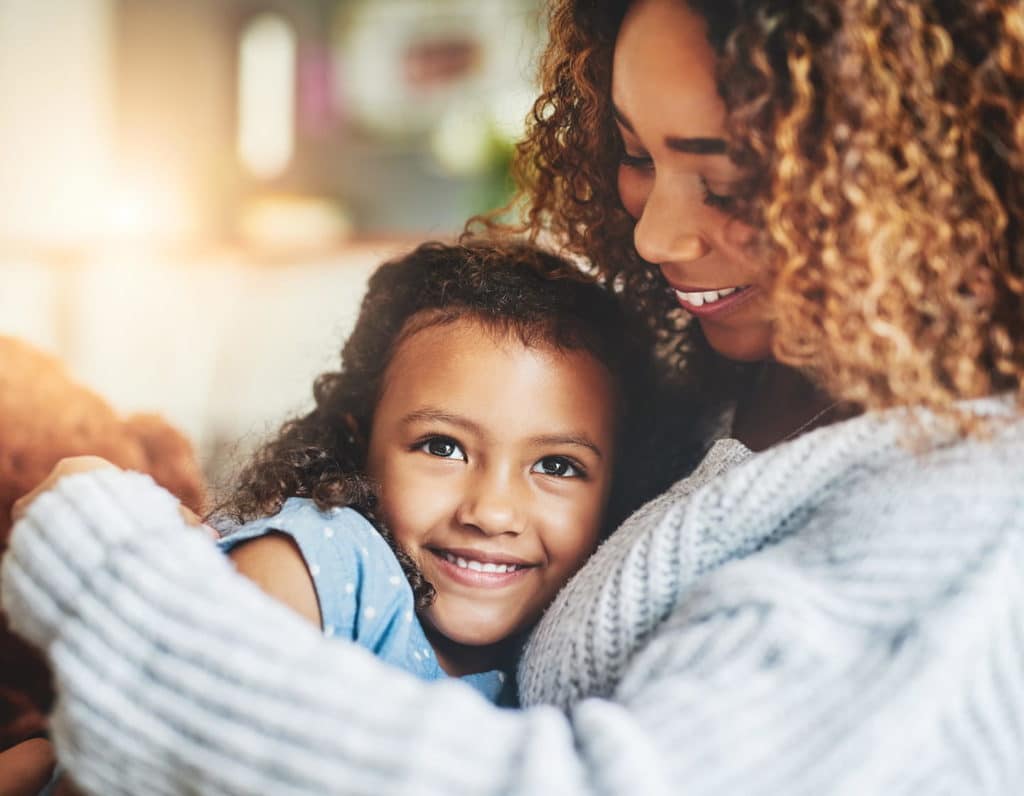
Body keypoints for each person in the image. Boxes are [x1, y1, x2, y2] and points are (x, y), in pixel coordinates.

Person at [4, 0, 1024, 793]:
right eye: (635, 153)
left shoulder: (969, 515)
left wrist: (109, 575)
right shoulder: (725, 379)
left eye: (728, 182)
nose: (658, 234)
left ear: (909, 181)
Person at [207, 239, 665, 702]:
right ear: (359, 441)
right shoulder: (329, 562)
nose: (492, 513)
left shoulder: (581, 643)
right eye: (443, 447)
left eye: (556, 466)